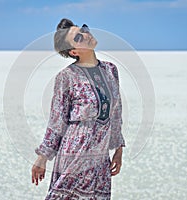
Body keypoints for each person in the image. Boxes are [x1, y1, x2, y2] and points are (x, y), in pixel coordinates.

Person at [31, 18, 125, 199]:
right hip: (74, 154)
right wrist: (42, 157)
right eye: (79, 37)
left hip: (100, 162)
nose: (86, 35)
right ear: (73, 51)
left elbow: (116, 114)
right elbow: (57, 121)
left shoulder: (111, 70)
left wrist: (118, 151)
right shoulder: (66, 77)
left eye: (84, 30)